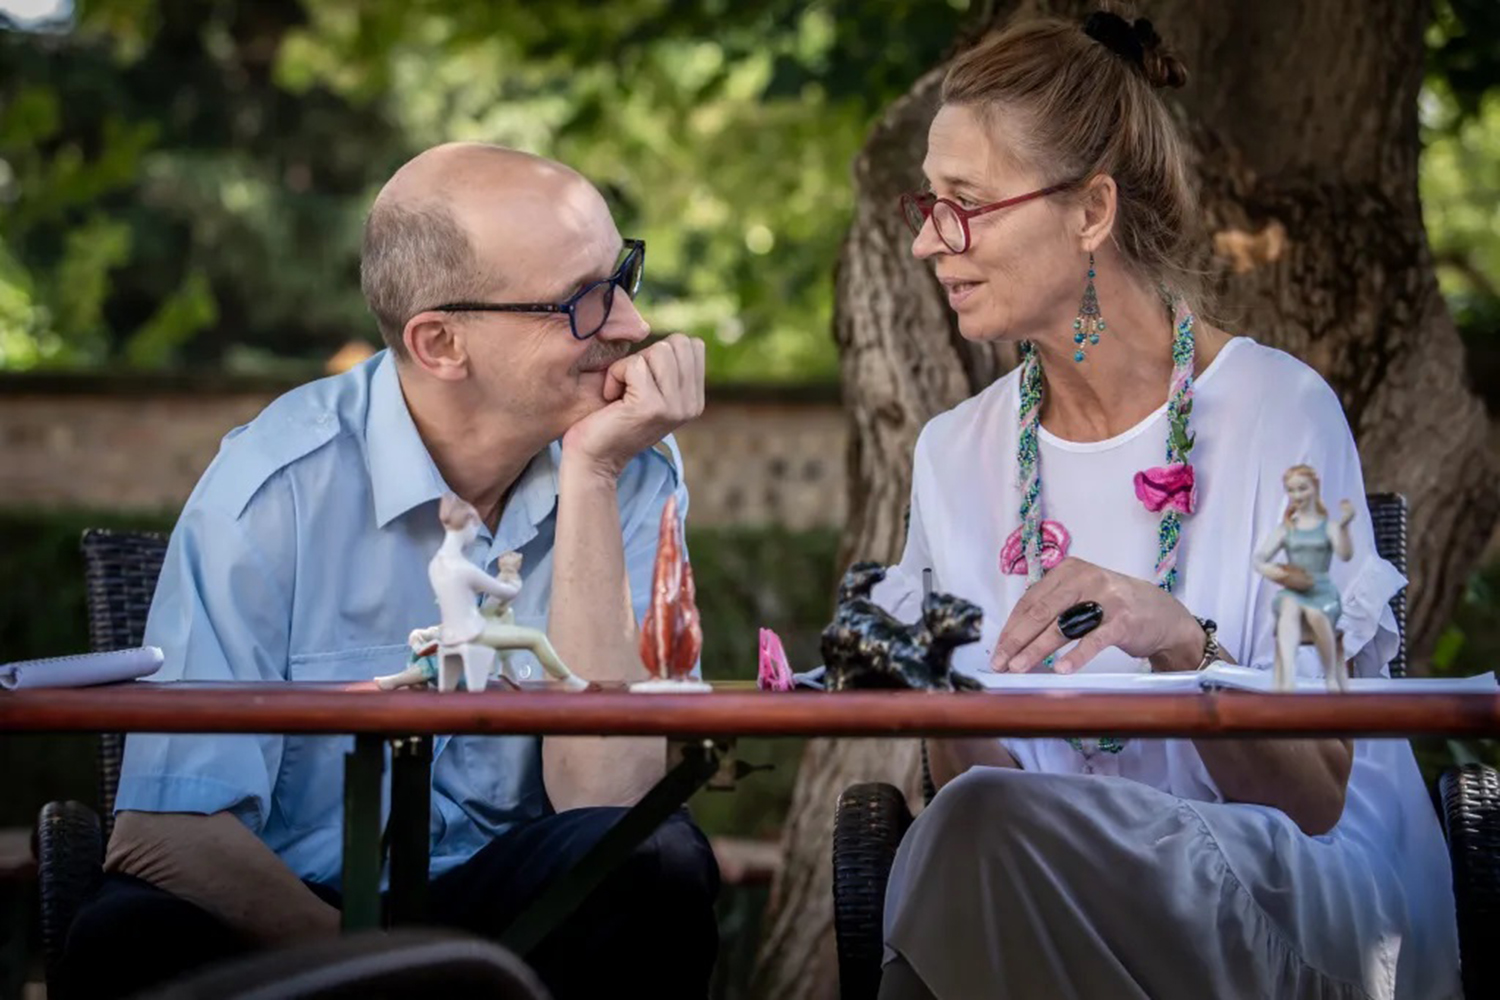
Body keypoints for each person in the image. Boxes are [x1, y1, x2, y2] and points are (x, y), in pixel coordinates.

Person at [871, 11, 1460, 1000]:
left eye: (964, 203)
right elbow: (975, 781)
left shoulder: (1280, 415)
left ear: (1090, 210)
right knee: (969, 830)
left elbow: (1315, 798)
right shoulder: (952, 454)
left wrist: (1184, 642)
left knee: (968, 848)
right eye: (926, 203)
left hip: (1292, 894)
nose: (932, 241)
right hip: (1035, 878)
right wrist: (929, 687)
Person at [63, 143, 719, 1000]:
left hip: (521, 899)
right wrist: (385, 977)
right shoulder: (275, 485)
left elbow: (608, 800)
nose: (631, 323)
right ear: (440, 342)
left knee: (658, 862)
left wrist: (592, 476)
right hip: (295, 905)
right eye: (581, 303)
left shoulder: (634, 465)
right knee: (124, 939)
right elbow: (167, 830)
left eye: (621, 274)